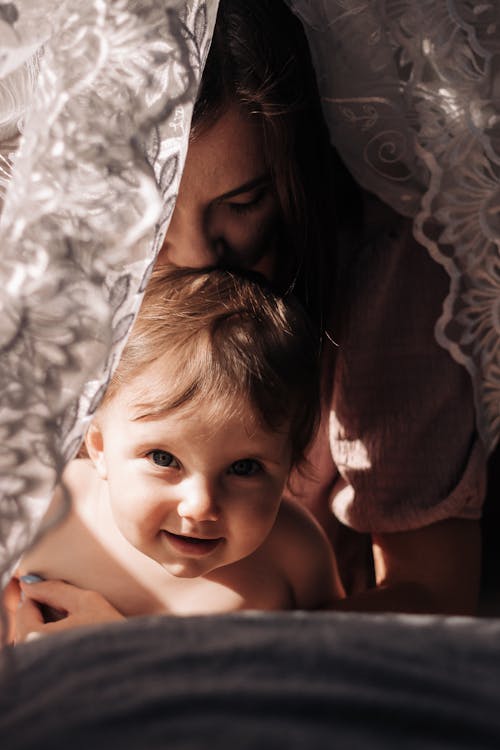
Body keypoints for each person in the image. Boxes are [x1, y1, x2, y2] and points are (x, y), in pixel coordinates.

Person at [156, 0, 484, 614]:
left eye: (244, 201)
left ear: (291, 173)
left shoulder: (381, 276)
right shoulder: (54, 284)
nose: (200, 256)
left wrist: (152, 653)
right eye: (156, 210)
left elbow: (434, 599)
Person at [10, 265, 343, 642]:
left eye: (244, 467)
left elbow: (325, 671)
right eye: (163, 459)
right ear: (99, 447)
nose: (200, 506)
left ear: (289, 463)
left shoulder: (295, 554)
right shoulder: (41, 509)